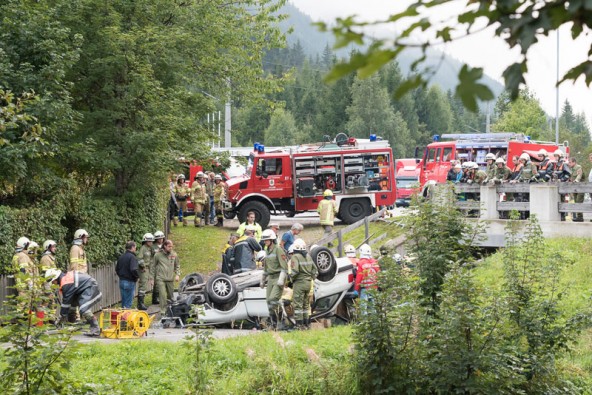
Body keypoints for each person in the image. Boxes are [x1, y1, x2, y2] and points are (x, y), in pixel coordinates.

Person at [45, 268, 102, 336]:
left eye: (52, 281)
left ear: (55, 278)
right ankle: (71, 323)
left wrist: (61, 318)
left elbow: (65, 303)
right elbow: (69, 301)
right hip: (84, 288)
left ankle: (95, 329)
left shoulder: (66, 283)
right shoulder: (65, 279)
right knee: (72, 304)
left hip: (90, 287)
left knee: (84, 309)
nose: (52, 283)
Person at [260, 229, 289, 330]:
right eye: (264, 240)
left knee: (273, 299)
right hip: (271, 279)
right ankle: (274, 324)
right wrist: (263, 280)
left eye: (267, 240)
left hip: (278, 277)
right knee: (269, 302)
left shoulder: (278, 249)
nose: (265, 242)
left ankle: (282, 321)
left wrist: (281, 280)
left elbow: (284, 267)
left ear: (272, 240)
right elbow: (266, 268)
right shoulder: (267, 250)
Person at [288, 239, 317, 329]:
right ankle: (306, 324)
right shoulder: (308, 256)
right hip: (308, 283)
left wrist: (290, 278)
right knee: (305, 304)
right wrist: (311, 278)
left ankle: (299, 325)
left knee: (298, 304)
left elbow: (295, 270)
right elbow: (315, 270)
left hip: (299, 283)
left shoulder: (295, 257)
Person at [151, 240, 180, 316]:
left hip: (170, 279)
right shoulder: (158, 255)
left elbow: (177, 266)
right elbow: (153, 267)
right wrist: (151, 278)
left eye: (172, 246)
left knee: (171, 296)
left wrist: (177, 274)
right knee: (162, 295)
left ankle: (171, 310)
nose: (171, 248)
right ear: (164, 246)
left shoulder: (174, 254)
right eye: (169, 246)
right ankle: (163, 312)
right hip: (161, 279)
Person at [116, 241, 139, 309]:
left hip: (122, 281)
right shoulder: (132, 257)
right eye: (135, 247)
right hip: (129, 281)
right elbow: (133, 269)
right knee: (128, 303)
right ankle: (126, 318)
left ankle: (122, 318)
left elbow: (117, 269)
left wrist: (121, 276)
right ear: (132, 247)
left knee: (124, 302)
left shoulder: (121, 257)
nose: (135, 249)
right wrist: (137, 276)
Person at [136, 233, 154, 310]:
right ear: (146, 241)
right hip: (143, 269)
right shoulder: (143, 248)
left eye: (151, 241)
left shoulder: (149, 249)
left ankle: (141, 303)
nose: (151, 242)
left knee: (145, 285)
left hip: (148, 268)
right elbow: (139, 259)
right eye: (149, 241)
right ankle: (140, 304)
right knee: (143, 285)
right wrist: (143, 266)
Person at [151, 230, 166, 305]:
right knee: (156, 282)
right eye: (159, 239)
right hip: (156, 266)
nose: (161, 240)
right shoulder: (153, 246)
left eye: (162, 238)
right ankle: (155, 298)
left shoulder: (165, 245)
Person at [568, 157, 584, 222]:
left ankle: (580, 217)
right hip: (574, 188)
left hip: (580, 187)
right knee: (575, 200)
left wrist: (576, 180)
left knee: (579, 201)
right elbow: (571, 177)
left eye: (570, 162)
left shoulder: (578, 167)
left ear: (574, 162)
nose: (569, 164)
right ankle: (578, 216)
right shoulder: (571, 169)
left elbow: (579, 175)